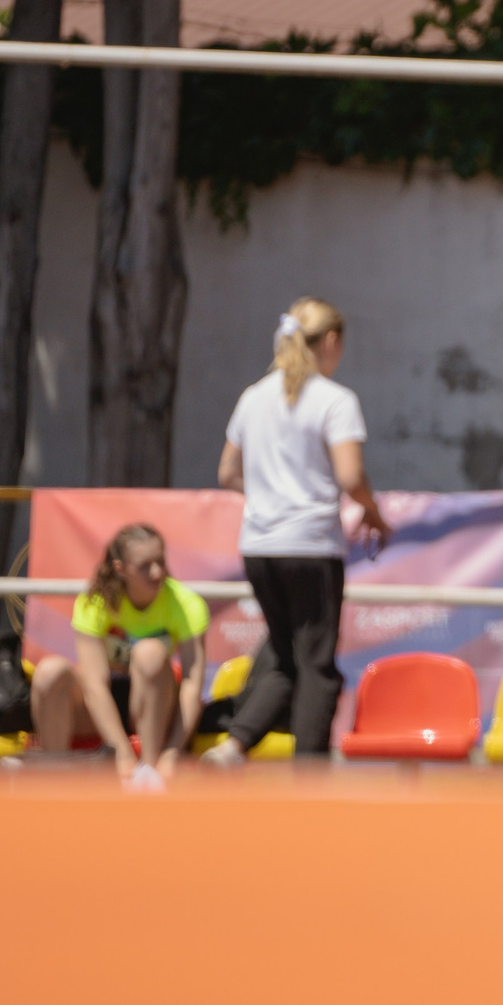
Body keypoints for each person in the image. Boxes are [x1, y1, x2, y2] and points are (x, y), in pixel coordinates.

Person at [205, 298, 388, 765]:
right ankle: (309, 775)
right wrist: (373, 512)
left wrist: (268, 495)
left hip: (259, 546)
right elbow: (350, 477)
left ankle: (234, 745)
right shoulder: (335, 399)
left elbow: (228, 472)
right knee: (317, 668)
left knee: (285, 657)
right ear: (330, 341)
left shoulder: (253, 396)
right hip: (309, 546)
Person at [30, 523, 209, 790]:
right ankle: (55, 782)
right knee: (48, 672)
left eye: (160, 561)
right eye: (145, 565)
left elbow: (193, 685)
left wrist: (172, 751)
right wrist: (121, 753)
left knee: (148, 654)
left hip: (154, 703)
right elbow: (94, 685)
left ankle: (150, 776)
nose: (157, 572)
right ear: (119, 569)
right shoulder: (96, 602)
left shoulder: (186, 604)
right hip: (102, 706)